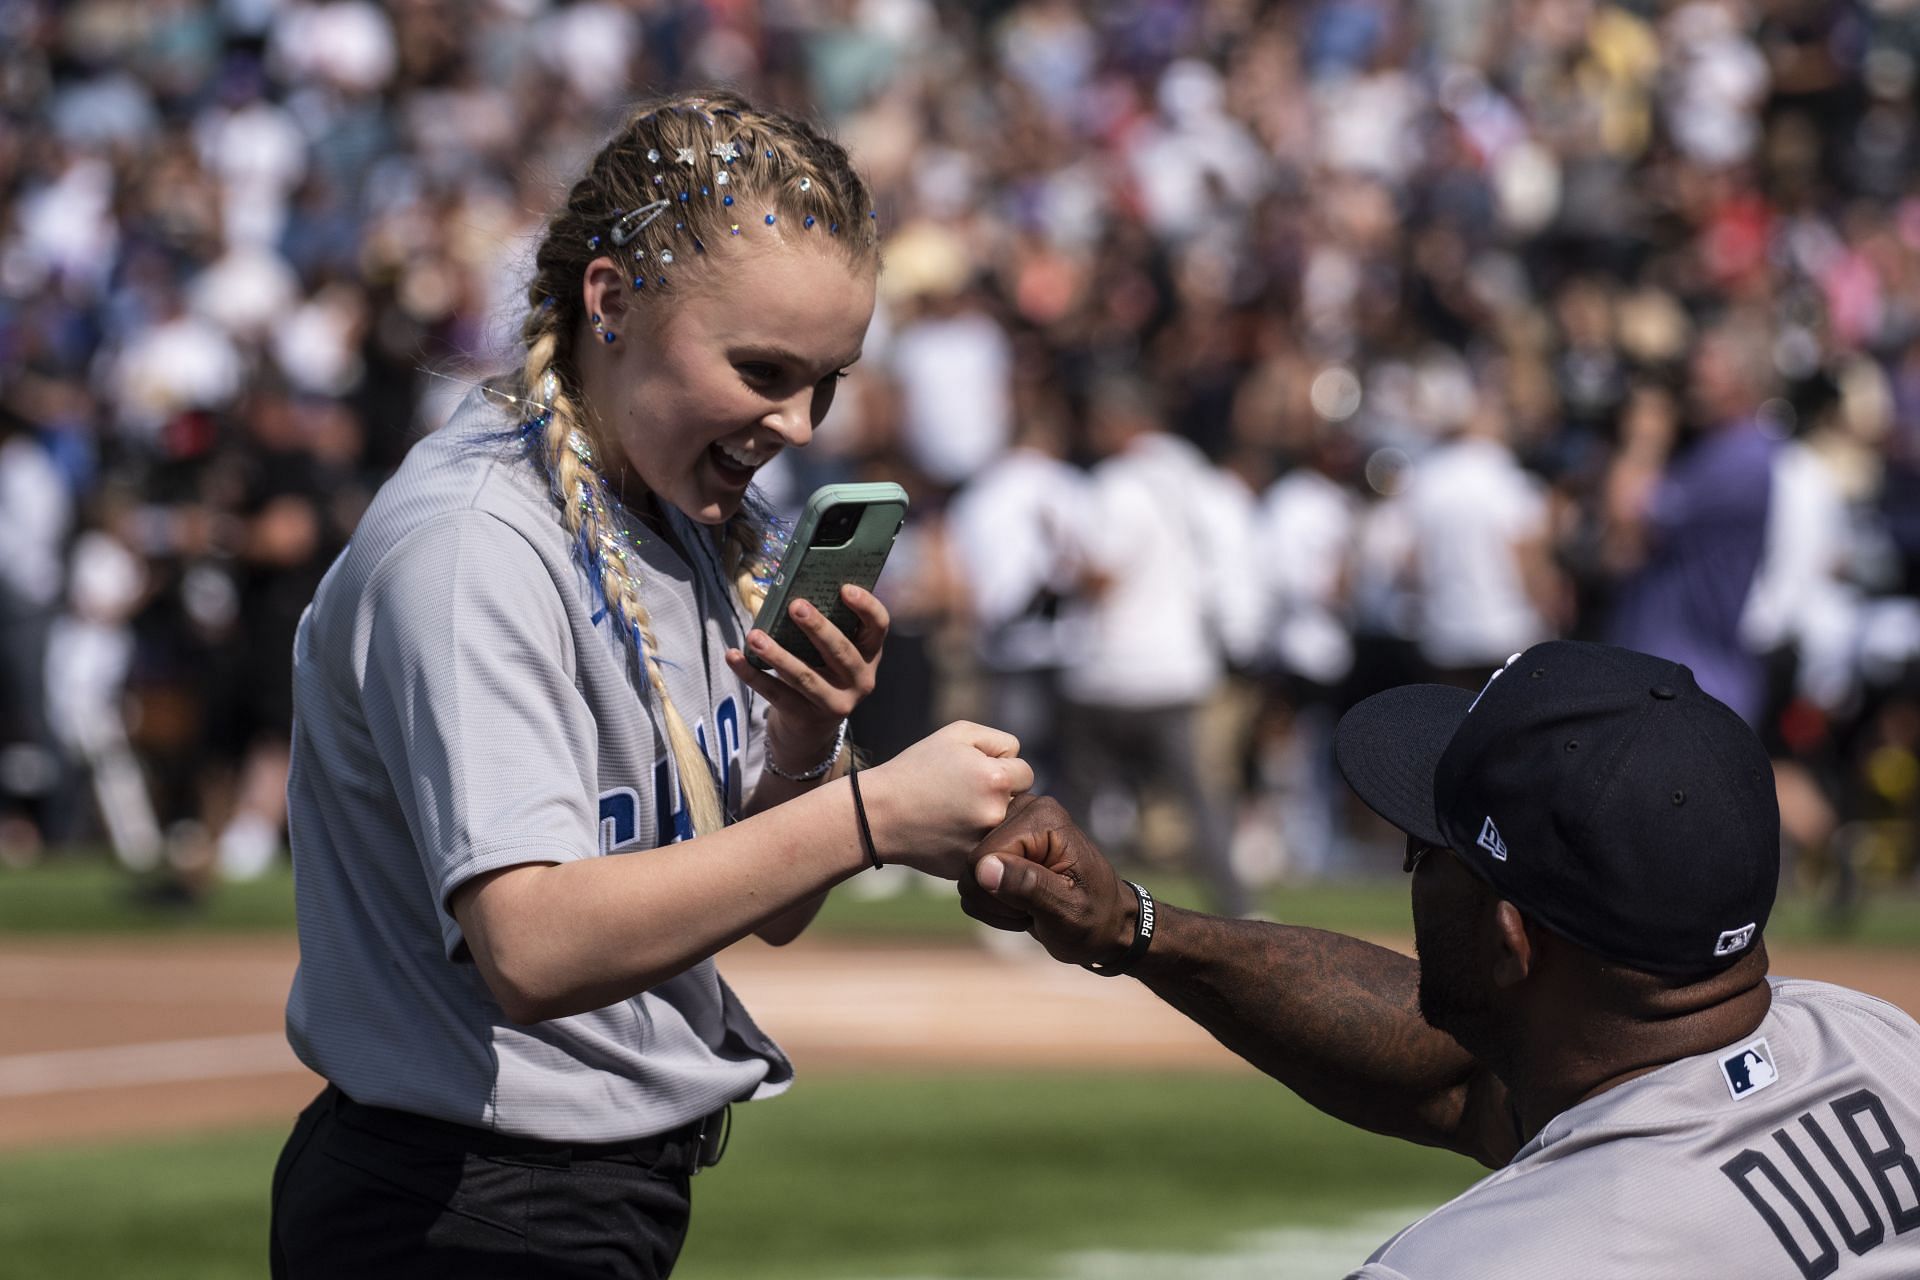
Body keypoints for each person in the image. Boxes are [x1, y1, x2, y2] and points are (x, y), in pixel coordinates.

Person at [269, 91, 1031, 1279]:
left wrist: (800, 745)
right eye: (763, 369)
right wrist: (869, 813)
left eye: (827, 380)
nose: (796, 421)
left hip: (567, 1199)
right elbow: (531, 944)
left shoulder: (677, 515)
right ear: (612, 299)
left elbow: (761, 909)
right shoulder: (475, 542)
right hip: (459, 1207)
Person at [962, 639, 1920, 1279]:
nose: (1412, 875)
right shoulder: (1878, 1048)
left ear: (1510, 938)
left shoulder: (1473, 1265)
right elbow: (1465, 1085)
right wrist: (1137, 927)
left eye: (1426, 852)